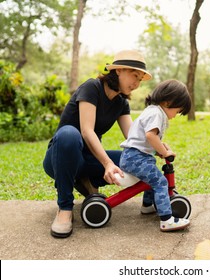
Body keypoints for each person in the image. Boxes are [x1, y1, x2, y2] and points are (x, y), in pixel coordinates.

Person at [43, 50, 152, 238]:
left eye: (140, 79)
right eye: (134, 76)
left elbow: (134, 139)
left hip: (89, 160)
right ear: (118, 70)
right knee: (69, 134)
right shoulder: (92, 87)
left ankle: (86, 180)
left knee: (137, 159)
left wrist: (156, 146)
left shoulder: (121, 103)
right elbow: (87, 131)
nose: (136, 83)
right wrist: (108, 163)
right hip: (60, 157)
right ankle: (65, 208)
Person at [119, 79, 192, 232]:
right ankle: (166, 220)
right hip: (135, 157)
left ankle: (147, 205)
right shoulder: (156, 114)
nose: (175, 115)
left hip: (135, 156)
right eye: (177, 111)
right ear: (168, 102)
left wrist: (161, 148)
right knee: (160, 182)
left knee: (152, 178)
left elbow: (152, 138)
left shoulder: (153, 111)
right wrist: (165, 153)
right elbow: (150, 136)